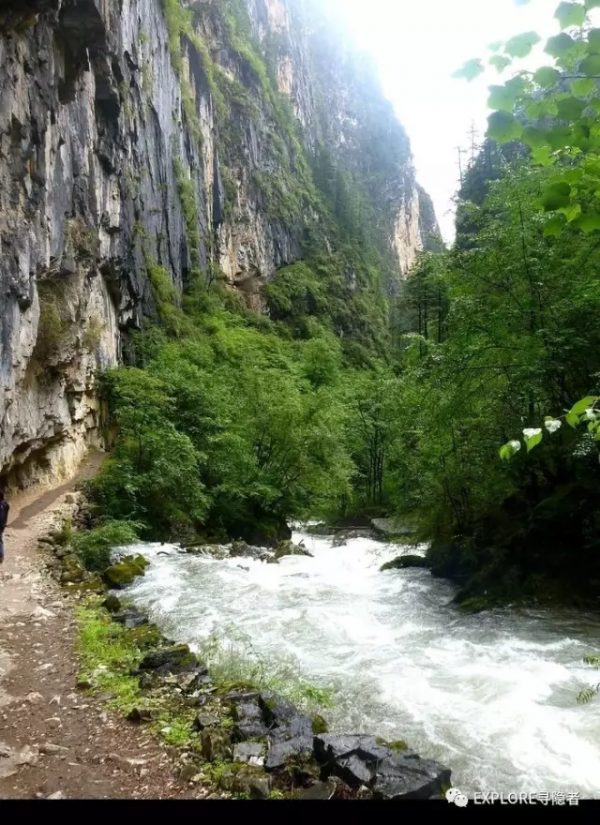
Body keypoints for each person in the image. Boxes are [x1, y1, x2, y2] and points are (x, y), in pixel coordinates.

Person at [0, 490, 9, 565]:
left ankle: (1, 556)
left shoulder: (2, 507)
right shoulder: (5, 505)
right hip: (2, 525)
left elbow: (1, 517)